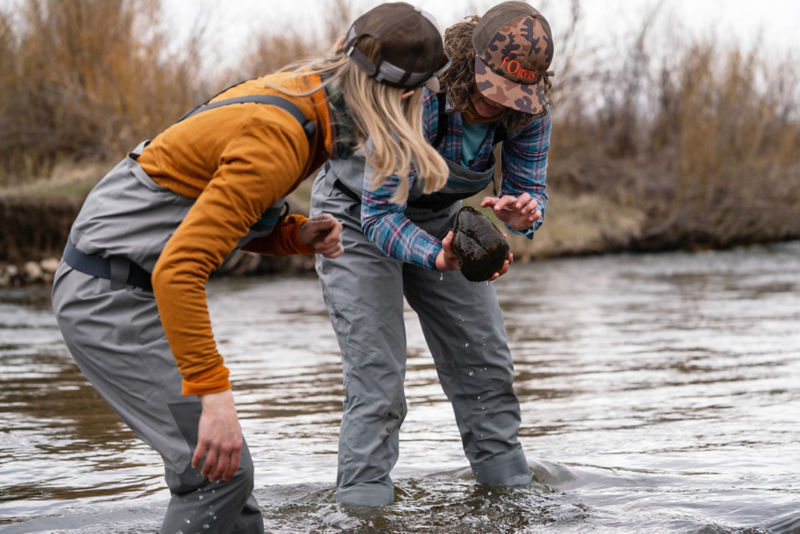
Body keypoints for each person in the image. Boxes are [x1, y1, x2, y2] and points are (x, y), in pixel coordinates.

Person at [51, 3, 450, 532]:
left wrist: (292, 235)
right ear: (404, 98)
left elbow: (209, 207)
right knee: (218, 477)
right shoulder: (280, 137)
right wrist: (213, 395)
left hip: (125, 281)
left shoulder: (304, 95)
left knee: (235, 503)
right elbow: (179, 268)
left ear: (341, 48)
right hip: (109, 297)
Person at [310, 0, 553, 506]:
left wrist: (524, 214)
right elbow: (380, 218)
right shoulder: (415, 98)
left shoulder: (529, 114)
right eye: (493, 88)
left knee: (486, 366)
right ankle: (363, 506)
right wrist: (437, 256)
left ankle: (511, 498)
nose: (502, 103)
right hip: (356, 214)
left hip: (442, 217)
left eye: (517, 95)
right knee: (378, 376)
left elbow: (531, 190)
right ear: (468, 64)